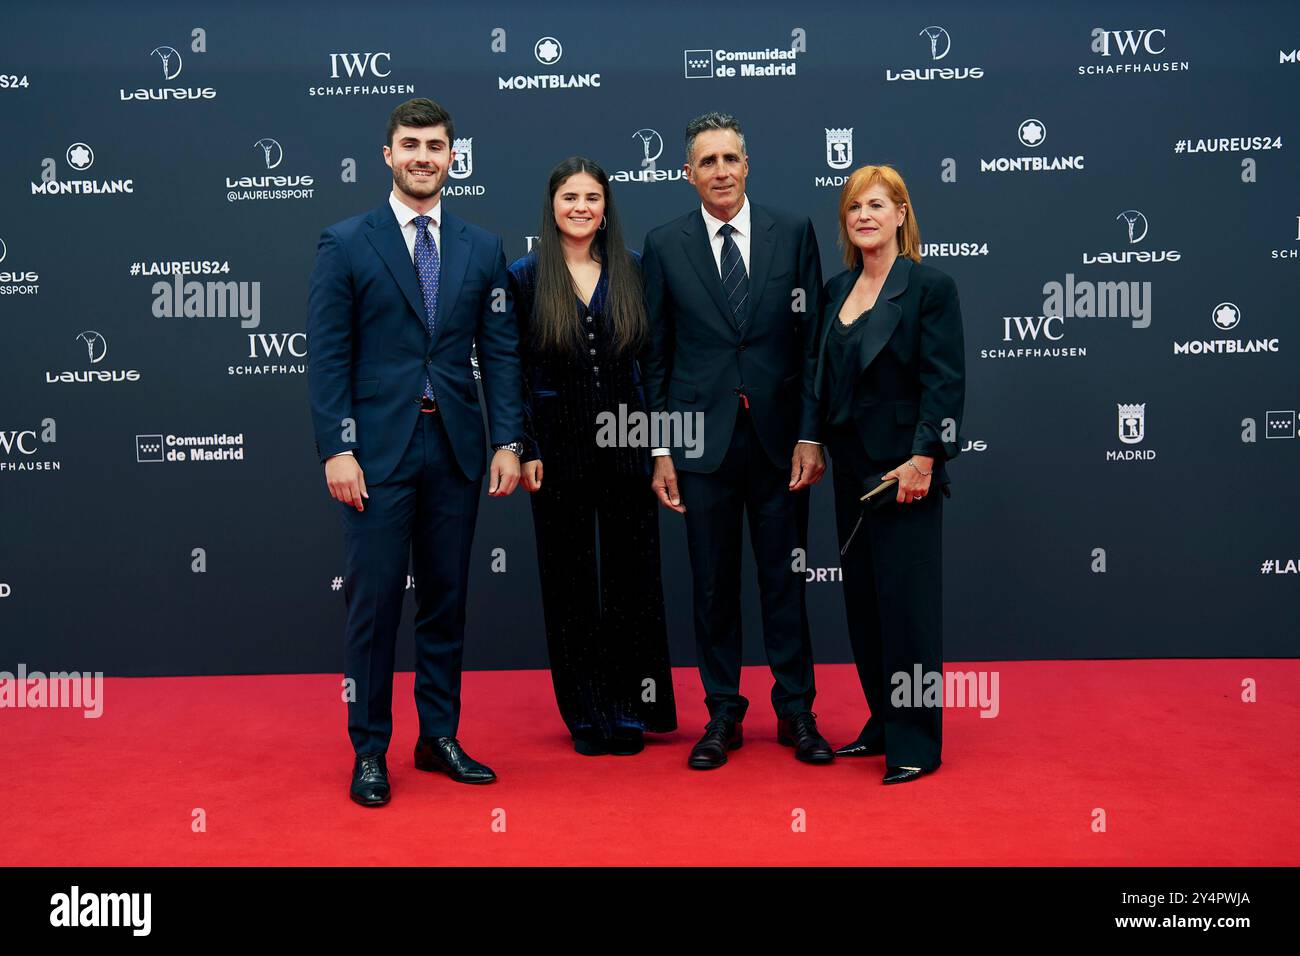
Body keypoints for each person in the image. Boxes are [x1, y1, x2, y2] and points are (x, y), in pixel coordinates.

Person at [307, 97, 524, 807]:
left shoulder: (482, 246)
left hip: (457, 446)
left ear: (453, 157)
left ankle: (438, 736)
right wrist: (339, 450)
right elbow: (329, 359)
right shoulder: (345, 242)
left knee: (446, 599)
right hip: (376, 452)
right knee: (374, 605)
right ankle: (369, 748)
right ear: (388, 156)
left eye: (436, 145)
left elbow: (499, 350)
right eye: (410, 145)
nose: (424, 156)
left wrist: (507, 440)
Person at [640, 113, 831, 769]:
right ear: (688, 173)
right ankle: (722, 712)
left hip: (781, 441)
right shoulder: (664, 245)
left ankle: (797, 712)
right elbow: (656, 357)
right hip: (700, 444)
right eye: (707, 162)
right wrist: (661, 448)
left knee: (785, 580)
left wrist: (811, 432)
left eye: (730, 159)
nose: (720, 171)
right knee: (713, 585)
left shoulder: (794, 232)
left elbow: (813, 346)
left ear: (747, 165)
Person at [507, 157, 677, 756]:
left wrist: (661, 449)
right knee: (570, 579)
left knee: (633, 577)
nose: (581, 207)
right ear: (551, 207)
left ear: (607, 209)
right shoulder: (525, 276)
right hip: (558, 449)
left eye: (593, 198)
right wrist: (525, 446)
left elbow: (651, 366)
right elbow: (516, 372)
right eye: (570, 197)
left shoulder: (633, 271)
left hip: (629, 442)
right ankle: (586, 710)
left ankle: (631, 707)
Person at [816, 164, 965, 785]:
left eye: (878, 205)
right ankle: (882, 720)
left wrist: (926, 456)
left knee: (908, 610)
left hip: (905, 471)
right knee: (865, 605)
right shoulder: (834, 291)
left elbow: (945, 381)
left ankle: (916, 739)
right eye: (855, 208)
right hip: (850, 472)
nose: (865, 216)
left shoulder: (929, 287)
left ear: (901, 215)